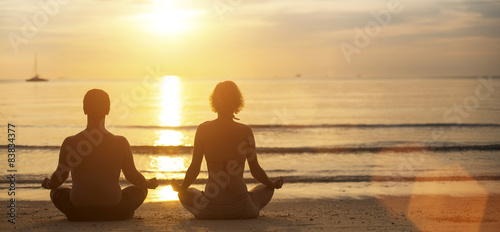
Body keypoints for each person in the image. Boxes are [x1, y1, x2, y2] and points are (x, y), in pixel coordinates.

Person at [172, 81, 284, 219]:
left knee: (184, 193)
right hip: (242, 208)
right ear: (237, 101)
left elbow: (194, 168)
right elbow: (255, 171)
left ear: (214, 101)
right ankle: (251, 201)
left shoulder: (203, 129)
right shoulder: (245, 131)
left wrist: (181, 187)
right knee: (267, 188)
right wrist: (271, 184)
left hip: (210, 208)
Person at [41, 89, 158, 221]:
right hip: (113, 206)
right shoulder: (120, 142)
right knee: (140, 190)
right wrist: (148, 184)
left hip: (79, 208)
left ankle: (79, 214)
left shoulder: (71, 142)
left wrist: (48, 184)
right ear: (107, 110)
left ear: (84, 109)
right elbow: (132, 175)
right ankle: (121, 213)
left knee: (56, 191)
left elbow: (59, 177)